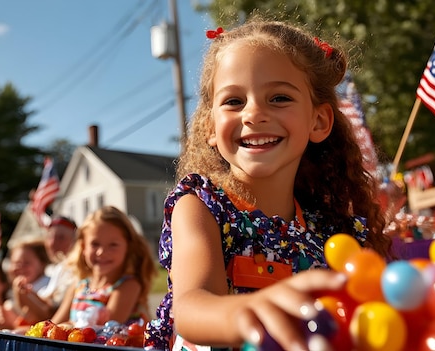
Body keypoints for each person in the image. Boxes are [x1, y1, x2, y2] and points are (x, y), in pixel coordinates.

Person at [143, 18, 392, 351]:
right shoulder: (202, 205)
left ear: (318, 121)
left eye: (278, 98)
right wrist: (245, 312)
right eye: (234, 101)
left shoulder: (332, 230)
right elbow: (190, 307)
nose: (254, 114)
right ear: (211, 127)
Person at [50, 206, 157, 328]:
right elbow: (54, 324)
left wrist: (65, 328)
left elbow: (104, 330)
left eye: (113, 245)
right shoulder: (79, 285)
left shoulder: (128, 286)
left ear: (128, 247)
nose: (101, 252)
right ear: (83, 247)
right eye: (95, 244)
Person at [12, 216, 77, 325]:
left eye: (61, 238)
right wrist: (26, 293)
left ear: (76, 241)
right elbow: (49, 307)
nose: (52, 243)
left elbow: (50, 314)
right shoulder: (59, 269)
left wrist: (23, 295)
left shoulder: (76, 271)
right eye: (50, 237)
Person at [2, 239, 51, 328]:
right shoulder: (9, 292)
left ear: (42, 263)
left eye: (27, 263)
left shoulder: (50, 287)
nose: (20, 267)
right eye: (16, 263)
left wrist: (22, 296)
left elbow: (45, 316)